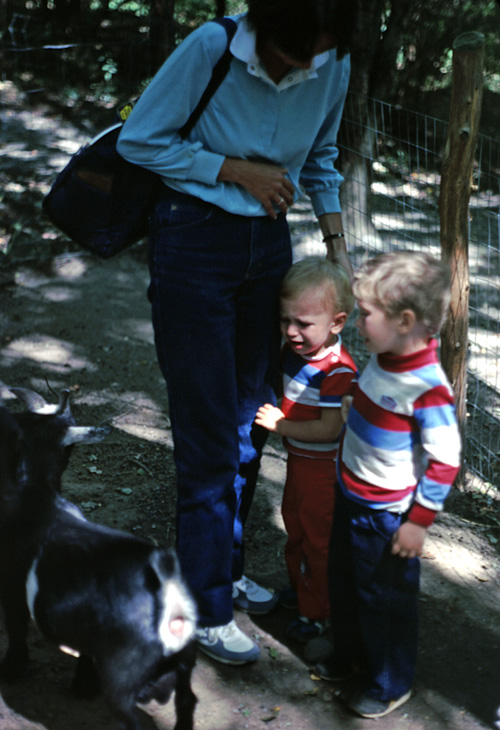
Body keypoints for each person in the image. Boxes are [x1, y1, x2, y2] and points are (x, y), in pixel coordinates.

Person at [117, 0, 357, 666]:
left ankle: (219, 569)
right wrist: (230, 169)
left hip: (269, 251)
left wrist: (338, 250)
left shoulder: (332, 60)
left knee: (253, 420)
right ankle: (203, 606)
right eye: (291, 52)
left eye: (318, 52)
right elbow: (140, 139)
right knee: (207, 433)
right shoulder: (212, 45)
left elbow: (323, 160)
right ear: (266, 24)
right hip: (193, 238)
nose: (302, 67)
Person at [314, 251, 462, 718]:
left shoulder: (427, 386)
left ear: (405, 321)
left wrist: (417, 523)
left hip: (386, 516)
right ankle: (350, 654)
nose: (357, 321)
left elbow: (445, 460)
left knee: (385, 600)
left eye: (365, 313)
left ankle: (388, 681)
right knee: (345, 582)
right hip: (351, 494)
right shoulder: (384, 355)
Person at [255, 257, 357, 641]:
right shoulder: (294, 355)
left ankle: (320, 613)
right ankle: (300, 593)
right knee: (295, 528)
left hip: (324, 472)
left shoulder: (337, 372)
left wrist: (281, 425)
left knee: (319, 540)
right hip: (299, 463)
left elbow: (330, 429)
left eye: (304, 324)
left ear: (337, 323)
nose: (292, 332)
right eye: (286, 321)